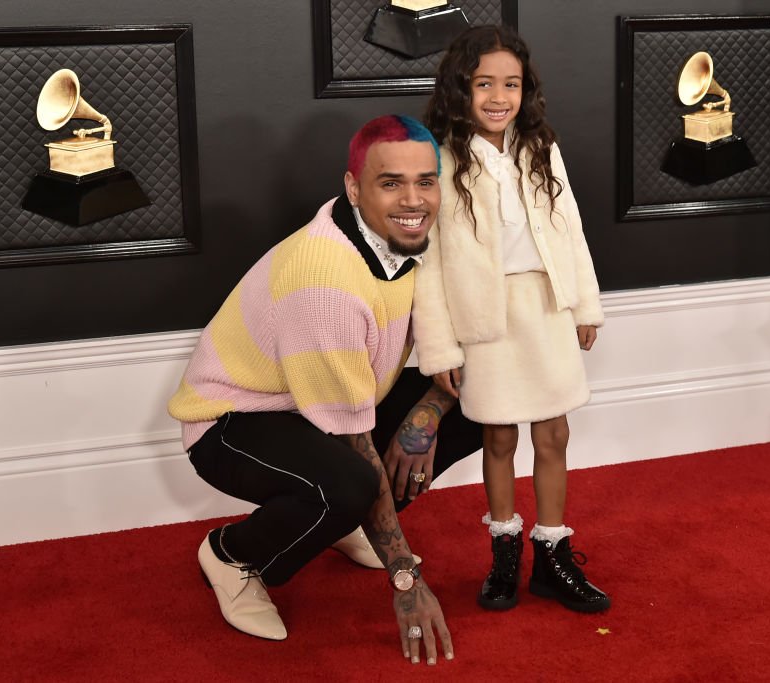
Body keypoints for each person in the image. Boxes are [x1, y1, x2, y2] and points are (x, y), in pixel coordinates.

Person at [167, 115, 482, 664]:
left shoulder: (422, 232)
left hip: (334, 405)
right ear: (354, 187)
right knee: (350, 482)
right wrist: (406, 580)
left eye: (425, 181)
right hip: (234, 419)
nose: (414, 200)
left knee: (481, 406)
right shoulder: (325, 283)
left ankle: (344, 520)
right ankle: (231, 555)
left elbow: (458, 343)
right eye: (390, 183)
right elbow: (350, 441)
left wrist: (427, 413)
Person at [413, 25, 610, 613]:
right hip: (486, 318)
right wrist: (440, 349)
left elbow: (569, 228)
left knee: (554, 433)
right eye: (484, 84)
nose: (499, 97)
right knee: (497, 436)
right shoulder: (441, 160)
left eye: (512, 84)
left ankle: (552, 557)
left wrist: (584, 304)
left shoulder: (541, 148)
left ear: (527, 91)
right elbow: (430, 263)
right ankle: (504, 554)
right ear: (460, 88)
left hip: (546, 307)